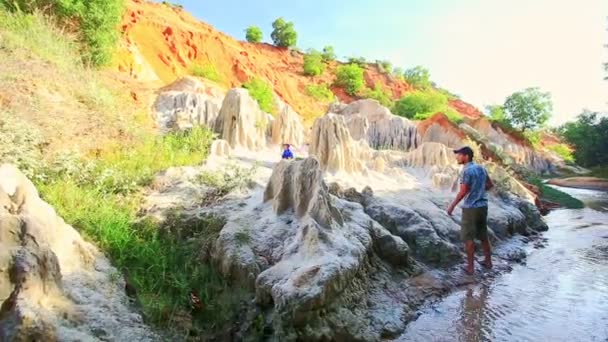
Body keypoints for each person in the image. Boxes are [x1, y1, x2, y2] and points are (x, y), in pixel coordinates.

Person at [447, 146, 494, 275]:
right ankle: (488, 262)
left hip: (470, 208)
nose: (457, 157)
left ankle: (470, 268)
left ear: (466, 156)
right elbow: (490, 185)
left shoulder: (466, 171)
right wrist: (479, 191)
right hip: (483, 206)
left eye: (459, 155)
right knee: (483, 236)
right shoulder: (481, 168)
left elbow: (463, 191)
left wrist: (452, 206)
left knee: (468, 238)